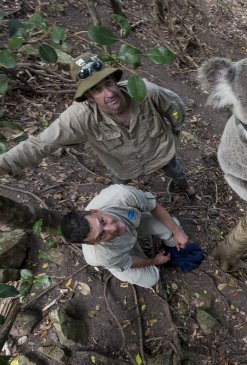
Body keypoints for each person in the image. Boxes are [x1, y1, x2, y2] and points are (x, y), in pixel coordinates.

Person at [0, 53, 195, 195]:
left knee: (174, 169)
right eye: (97, 90)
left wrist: (176, 128)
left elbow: (174, 106)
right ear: (89, 97)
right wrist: (5, 164)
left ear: (115, 80)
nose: (109, 93)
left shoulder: (145, 91)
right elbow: (40, 143)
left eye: (108, 83)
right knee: (120, 187)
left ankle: (184, 186)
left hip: (160, 152)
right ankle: (128, 199)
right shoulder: (80, 116)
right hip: (122, 166)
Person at [60, 184, 189, 288]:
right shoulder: (101, 256)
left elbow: (153, 206)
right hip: (116, 253)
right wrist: (155, 261)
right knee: (151, 279)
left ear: (96, 211)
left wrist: (178, 232)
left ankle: (173, 250)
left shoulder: (122, 196)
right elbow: (129, 262)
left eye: (103, 221)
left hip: (133, 226)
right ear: (93, 243)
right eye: (101, 235)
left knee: (173, 227)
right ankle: (120, 263)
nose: (113, 228)